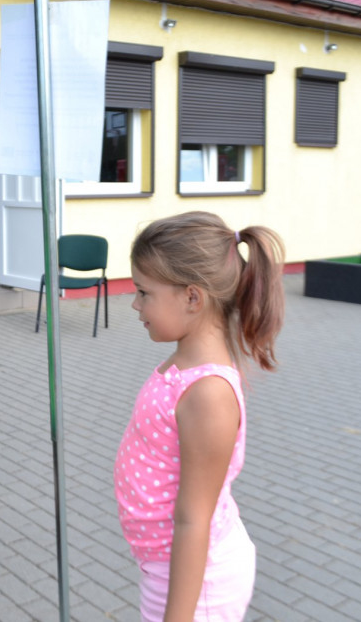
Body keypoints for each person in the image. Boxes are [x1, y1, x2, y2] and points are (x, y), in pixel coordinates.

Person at [115, 211, 285, 622]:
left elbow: (194, 520)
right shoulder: (183, 364)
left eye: (144, 292)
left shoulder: (208, 394)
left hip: (198, 582)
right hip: (168, 569)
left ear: (193, 297)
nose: (135, 303)